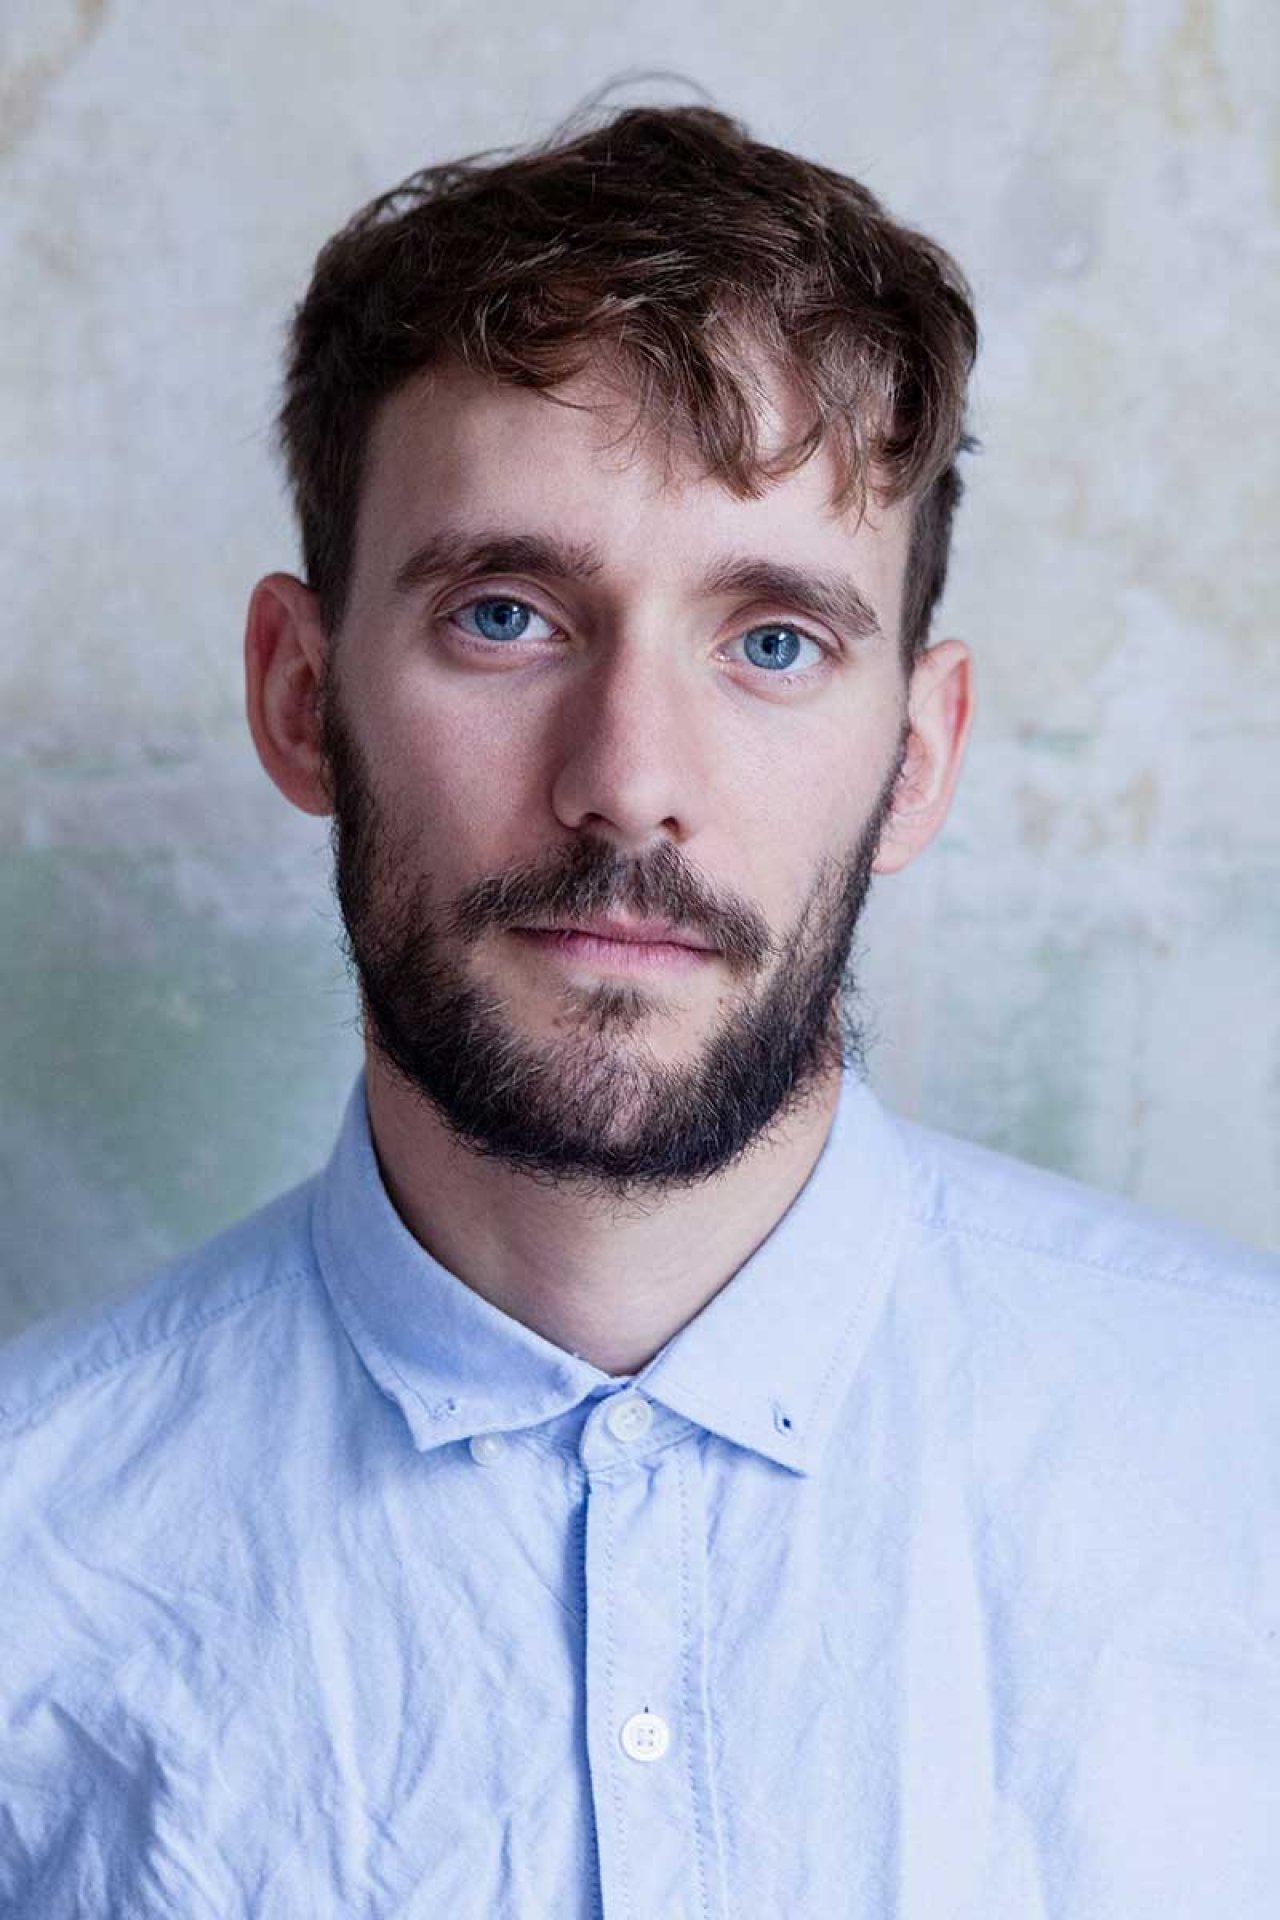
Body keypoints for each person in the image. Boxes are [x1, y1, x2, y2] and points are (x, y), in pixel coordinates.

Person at [1, 100, 1276, 1920]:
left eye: (773, 642)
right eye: (507, 616)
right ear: (299, 697)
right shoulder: (35, 1552)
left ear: (917, 760)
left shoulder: (1246, 1460)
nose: (629, 784)